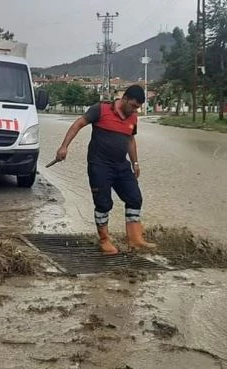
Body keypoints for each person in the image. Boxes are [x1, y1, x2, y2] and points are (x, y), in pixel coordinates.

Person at [53, 85, 157, 255]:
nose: (135, 110)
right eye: (133, 106)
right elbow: (78, 124)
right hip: (99, 165)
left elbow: (130, 140)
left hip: (121, 165)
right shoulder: (100, 109)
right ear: (124, 99)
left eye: (138, 107)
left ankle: (135, 240)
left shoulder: (133, 118)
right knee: (103, 203)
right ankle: (104, 240)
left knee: (134, 198)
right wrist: (64, 147)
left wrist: (135, 163)